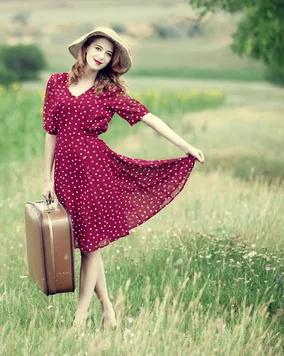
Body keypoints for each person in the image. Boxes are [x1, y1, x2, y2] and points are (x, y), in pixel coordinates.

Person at [40, 27, 205, 330]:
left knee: (90, 246)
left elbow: (148, 118)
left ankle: (78, 322)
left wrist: (186, 145)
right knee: (88, 244)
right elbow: (51, 131)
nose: (101, 56)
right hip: (65, 173)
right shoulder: (56, 83)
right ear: (86, 48)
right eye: (98, 48)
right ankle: (108, 310)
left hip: (95, 172)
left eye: (108, 53)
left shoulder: (109, 92)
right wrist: (46, 177)